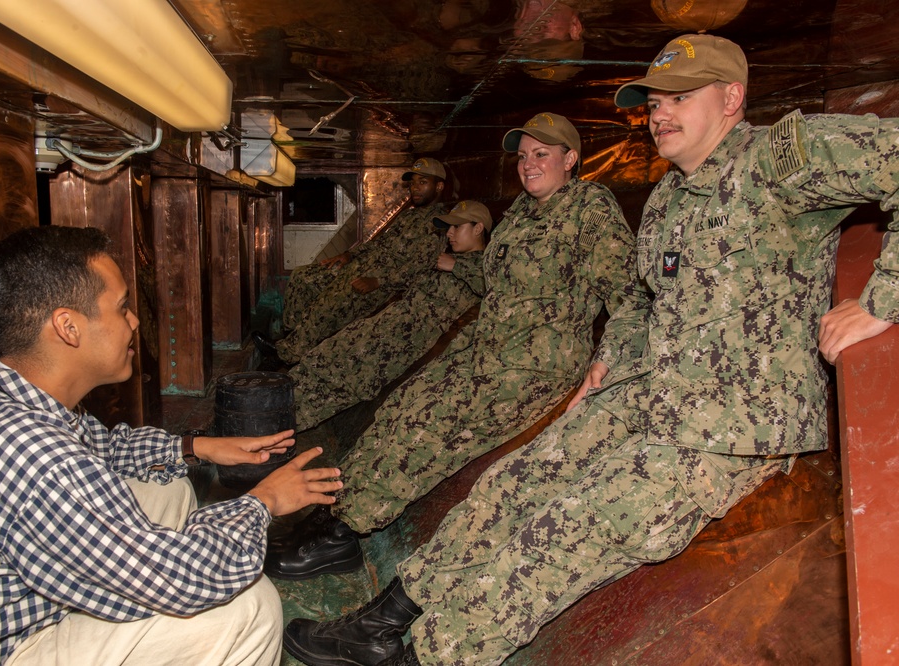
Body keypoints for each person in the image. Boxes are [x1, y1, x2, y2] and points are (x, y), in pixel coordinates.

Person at [280, 33, 899, 666]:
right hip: (645, 392)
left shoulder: (779, 160)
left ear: (732, 97)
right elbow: (642, 299)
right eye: (654, 102)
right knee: (510, 485)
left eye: (680, 98)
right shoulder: (666, 200)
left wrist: (879, 301)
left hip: (728, 424)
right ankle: (387, 618)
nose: (660, 114)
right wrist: (606, 361)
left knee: (562, 536)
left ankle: (432, 656)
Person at [0, 226, 344, 665]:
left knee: (163, 490)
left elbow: (104, 449)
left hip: (5, 611)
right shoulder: (35, 458)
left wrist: (198, 447)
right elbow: (184, 577)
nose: (134, 321)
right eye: (122, 307)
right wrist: (264, 500)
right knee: (248, 608)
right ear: (68, 327)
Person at [267, 112, 642, 588]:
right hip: (487, 345)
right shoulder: (522, 215)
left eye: (541, 155)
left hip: (533, 364)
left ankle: (346, 533)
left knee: (431, 425)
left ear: (570, 159)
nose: (528, 165)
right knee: (402, 407)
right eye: (523, 156)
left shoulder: (590, 207)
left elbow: (629, 294)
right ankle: (333, 514)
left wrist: (606, 362)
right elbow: (492, 281)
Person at [290, 199, 491, 432]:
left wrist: (456, 266)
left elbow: (496, 286)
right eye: (448, 227)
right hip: (389, 321)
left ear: (478, 229)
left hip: (405, 338)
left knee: (344, 378)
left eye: (457, 227)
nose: (449, 233)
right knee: (323, 354)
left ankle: (284, 424)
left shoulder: (484, 266)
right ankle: (276, 402)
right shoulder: (445, 258)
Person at [253, 157, 449, 366]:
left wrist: (379, 282)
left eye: (422, 182)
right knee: (303, 277)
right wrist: (349, 254)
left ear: (438, 186)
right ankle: (295, 340)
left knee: (329, 302)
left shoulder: (438, 223)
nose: (415, 188)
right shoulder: (409, 217)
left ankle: (285, 355)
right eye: (413, 183)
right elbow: (378, 245)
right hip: (361, 266)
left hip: (379, 282)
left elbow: (419, 268)